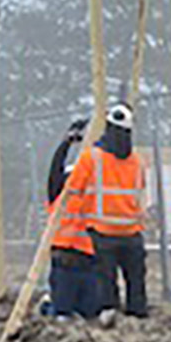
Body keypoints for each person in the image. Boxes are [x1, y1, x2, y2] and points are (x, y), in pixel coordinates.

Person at [62, 102, 149, 319]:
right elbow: (140, 192)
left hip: (102, 232)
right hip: (132, 232)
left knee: (106, 282)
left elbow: (73, 190)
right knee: (136, 283)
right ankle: (137, 315)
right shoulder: (138, 162)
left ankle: (110, 315)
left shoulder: (91, 158)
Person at [42, 116, 102, 318]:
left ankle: (55, 304)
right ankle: (48, 306)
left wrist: (95, 142)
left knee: (90, 312)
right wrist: (66, 144)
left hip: (89, 265)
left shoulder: (91, 197)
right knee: (63, 313)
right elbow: (55, 170)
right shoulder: (58, 197)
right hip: (64, 266)